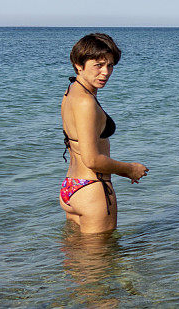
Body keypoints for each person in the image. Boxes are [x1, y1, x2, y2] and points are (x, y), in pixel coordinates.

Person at [59, 33, 148, 233]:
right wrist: (129, 169)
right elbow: (92, 159)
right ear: (78, 64)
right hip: (92, 191)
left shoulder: (71, 91)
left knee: (75, 261)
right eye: (98, 65)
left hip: (71, 188)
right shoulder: (86, 102)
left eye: (110, 66)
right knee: (100, 263)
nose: (105, 72)